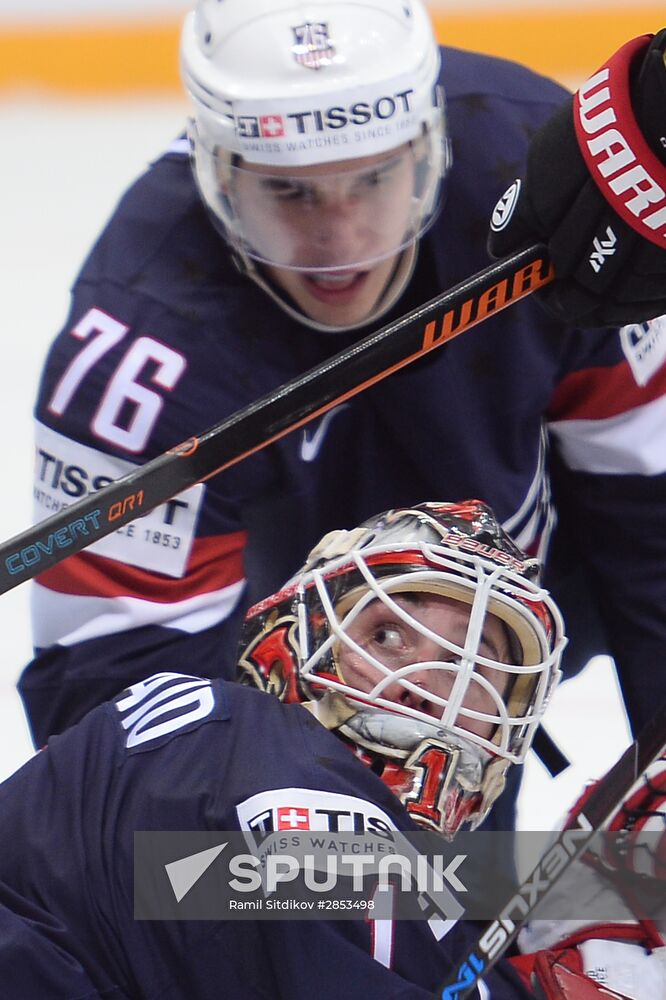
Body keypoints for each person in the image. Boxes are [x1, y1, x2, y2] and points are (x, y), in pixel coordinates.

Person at [23, 1, 666, 809]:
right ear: (216, 172)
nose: (340, 237)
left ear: (429, 148)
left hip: (514, 617)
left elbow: (652, 523)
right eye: (291, 193)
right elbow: (112, 708)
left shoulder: (548, 194)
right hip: (269, 683)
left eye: (373, 178)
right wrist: (265, 885)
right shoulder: (142, 349)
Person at [3, 500, 661, 999]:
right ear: (291, 643)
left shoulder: (229, 816)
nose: (426, 683)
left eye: (477, 667)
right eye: (389, 636)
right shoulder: (265, 760)